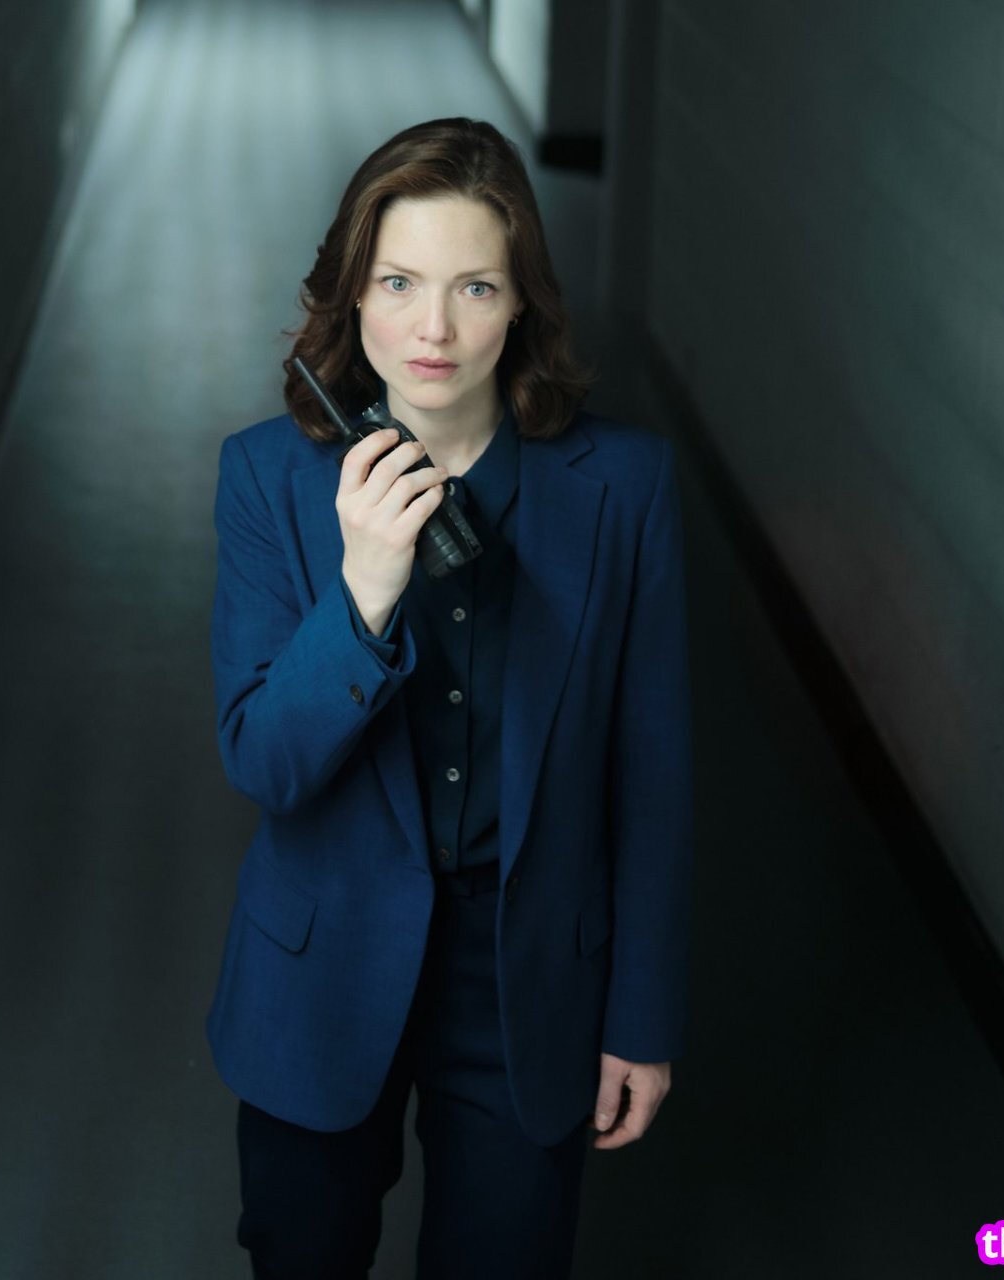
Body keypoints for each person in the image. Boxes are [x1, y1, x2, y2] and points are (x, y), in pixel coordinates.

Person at [206, 116, 693, 1279]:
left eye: (475, 286)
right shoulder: (266, 477)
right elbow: (264, 758)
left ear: (521, 301)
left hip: (524, 971)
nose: (434, 329)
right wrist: (364, 593)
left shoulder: (624, 487)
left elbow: (652, 771)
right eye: (399, 283)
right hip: (323, 963)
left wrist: (641, 1015)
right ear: (351, 293)